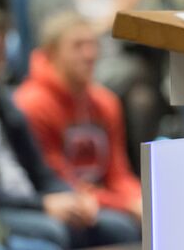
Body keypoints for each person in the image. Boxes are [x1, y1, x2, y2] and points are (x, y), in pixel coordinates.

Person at [0, 3, 138, 249]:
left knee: (121, 228)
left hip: (29, 201)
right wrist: (43, 204)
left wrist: (73, 198)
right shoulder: (28, 101)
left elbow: (42, 172)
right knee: (54, 233)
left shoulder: (3, 105)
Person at [14, 13, 142, 232]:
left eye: (93, 45)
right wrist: (125, 205)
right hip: (60, 201)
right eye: (77, 46)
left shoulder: (106, 102)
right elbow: (54, 178)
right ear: (51, 52)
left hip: (98, 200)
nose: (89, 54)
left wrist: (141, 200)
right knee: (123, 227)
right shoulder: (32, 103)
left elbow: (117, 172)